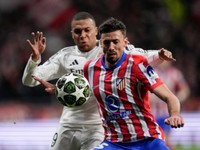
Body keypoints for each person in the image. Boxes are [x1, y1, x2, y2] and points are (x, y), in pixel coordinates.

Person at [22, 12, 175, 150]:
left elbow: (142, 57)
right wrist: (35, 59)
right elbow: (30, 81)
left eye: (87, 30)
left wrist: (159, 55)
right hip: (68, 124)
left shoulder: (109, 48)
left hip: (97, 127)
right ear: (72, 34)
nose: (83, 35)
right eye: (77, 31)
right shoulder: (64, 56)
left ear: (96, 31)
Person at [83, 17, 184, 150]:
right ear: (100, 44)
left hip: (147, 140)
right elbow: (79, 91)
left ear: (125, 42)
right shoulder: (89, 69)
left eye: (115, 42)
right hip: (114, 143)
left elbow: (170, 97)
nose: (111, 47)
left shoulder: (137, 64)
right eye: (107, 42)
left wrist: (175, 114)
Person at [149, 62, 190, 149]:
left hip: (166, 113)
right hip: (152, 113)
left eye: (166, 60)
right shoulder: (151, 72)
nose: (164, 62)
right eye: (162, 60)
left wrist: (176, 98)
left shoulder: (175, 73)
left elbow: (184, 90)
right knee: (153, 140)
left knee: (165, 140)